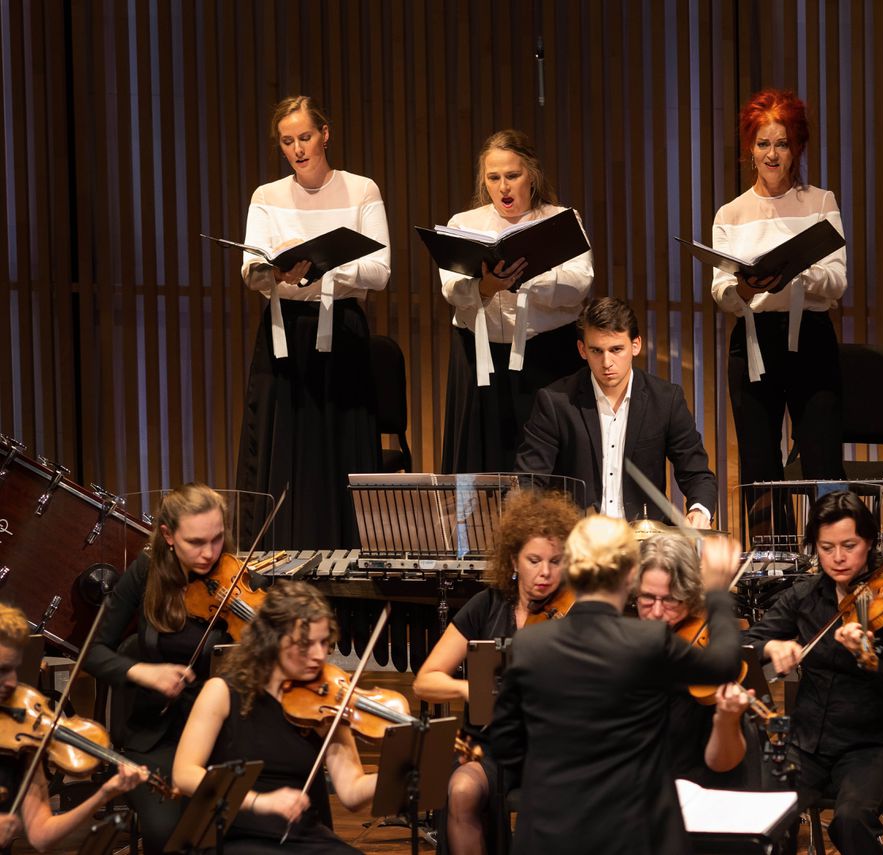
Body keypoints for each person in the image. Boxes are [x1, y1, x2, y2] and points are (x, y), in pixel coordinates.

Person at [488, 515, 742, 854]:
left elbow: (505, 742)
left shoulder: (529, 643)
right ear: (631, 574)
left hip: (551, 830)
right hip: (635, 830)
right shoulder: (649, 641)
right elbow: (724, 664)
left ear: (571, 570)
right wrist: (716, 593)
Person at [235, 94, 390, 550]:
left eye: (305, 137)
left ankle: (349, 559)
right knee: (280, 447)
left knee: (339, 448)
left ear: (326, 135)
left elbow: (380, 272)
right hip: (284, 333)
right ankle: (277, 560)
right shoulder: (266, 196)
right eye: (288, 141)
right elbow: (250, 271)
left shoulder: (362, 189)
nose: (298, 149)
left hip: (341, 330)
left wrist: (327, 266)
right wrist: (274, 271)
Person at [743, 490, 883, 855]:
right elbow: (744, 643)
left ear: (869, 543)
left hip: (871, 745)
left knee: (850, 821)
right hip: (806, 742)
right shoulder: (804, 596)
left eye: (849, 545)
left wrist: (868, 657)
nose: (838, 558)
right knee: (765, 818)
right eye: (826, 548)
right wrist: (770, 647)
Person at [411, 489, 582, 855]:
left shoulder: (575, 613)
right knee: (460, 791)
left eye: (556, 561)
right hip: (488, 747)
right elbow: (426, 681)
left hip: (553, 748)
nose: (545, 573)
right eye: (534, 560)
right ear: (512, 560)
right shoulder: (485, 606)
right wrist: (471, 690)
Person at [84, 483, 249, 854]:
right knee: (168, 834)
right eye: (196, 542)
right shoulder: (145, 573)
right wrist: (142, 672)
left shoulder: (237, 576)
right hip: (157, 734)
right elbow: (92, 651)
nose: (209, 553)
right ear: (168, 535)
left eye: (218, 538)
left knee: (239, 828)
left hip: (226, 733)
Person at [173, 580, 376, 853]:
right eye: (305, 644)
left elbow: (351, 792)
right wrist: (260, 801)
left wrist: (404, 770)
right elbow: (184, 774)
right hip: (235, 833)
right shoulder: (221, 691)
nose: (319, 655)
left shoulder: (324, 704)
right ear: (273, 640)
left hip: (299, 835)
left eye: (323, 642)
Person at [710, 88, 846, 487]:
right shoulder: (730, 213)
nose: (772, 155)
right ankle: (770, 551)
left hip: (812, 338)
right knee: (759, 468)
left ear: (797, 148)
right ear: (750, 149)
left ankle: (831, 549)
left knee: (822, 461)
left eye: (782, 144)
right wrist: (747, 289)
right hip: (753, 342)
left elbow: (838, 281)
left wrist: (799, 272)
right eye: (763, 144)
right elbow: (722, 292)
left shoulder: (820, 202)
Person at [440, 129, 594, 474]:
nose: (503, 187)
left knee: (547, 463)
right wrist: (486, 287)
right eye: (493, 178)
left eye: (512, 176)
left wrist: (528, 279)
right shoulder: (464, 224)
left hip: (547, 357)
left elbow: (580, 283)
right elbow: (451, 288)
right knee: (481, 464)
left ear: (532, 176)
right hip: (479, 356)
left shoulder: (559, 219)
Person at [515, 296, 718, 526]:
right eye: (596, 351)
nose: (606, 362)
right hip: (578, 544)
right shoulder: (555, 402)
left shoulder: (665, 400)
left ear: (636, 345)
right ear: (582, 350)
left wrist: (699, 510)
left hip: (648, 544)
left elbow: (697, 473)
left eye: (616, 349)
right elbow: (529, 480)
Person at [0, 602, 149, 851]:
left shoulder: (21, 737)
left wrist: (104, 794)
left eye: (15, 669)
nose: (14, 682)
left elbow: (42, 835)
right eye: (2, 671)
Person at [634, 532, 752, 787]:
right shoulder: (627, 644)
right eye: (647, 598)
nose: (656, 612)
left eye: (670, 600)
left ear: (689, 596)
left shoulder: (710, 650)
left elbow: (722, 764)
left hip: (702, 793)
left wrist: (725, 720)